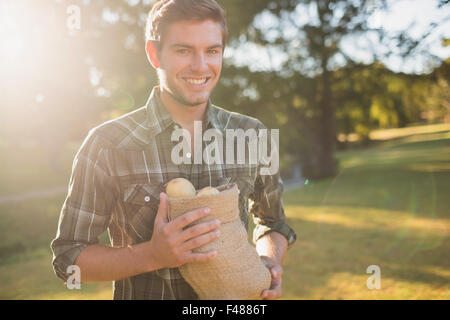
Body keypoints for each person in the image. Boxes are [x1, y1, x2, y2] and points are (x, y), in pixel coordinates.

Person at [51, 0, 296, 300]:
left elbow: (273, 222)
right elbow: (69, 258)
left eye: (212, 51)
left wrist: (269, 262)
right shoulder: (107, 145)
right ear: (154, 54)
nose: (201, 66)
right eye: (184, 50)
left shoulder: (252, 135)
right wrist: (151, 256)